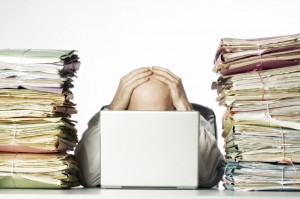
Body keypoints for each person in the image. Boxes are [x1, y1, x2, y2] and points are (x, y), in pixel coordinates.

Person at [75, 66, 226, 188]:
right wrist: (113, 110)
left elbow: (208, 177)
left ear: (175, 110)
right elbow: (87, 177)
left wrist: (186, 112)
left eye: (161, 115)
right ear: (125, 111)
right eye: (141, 116)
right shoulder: (108, 124)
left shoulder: (194, 122)